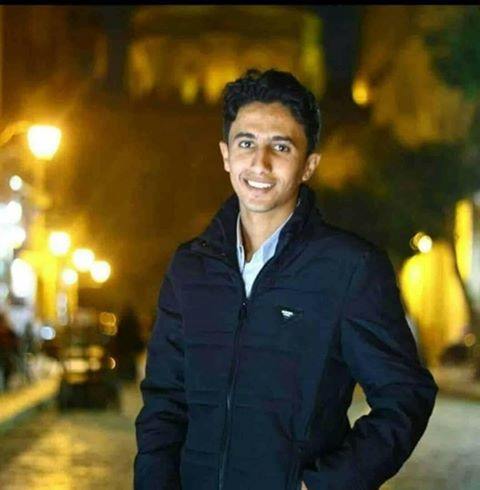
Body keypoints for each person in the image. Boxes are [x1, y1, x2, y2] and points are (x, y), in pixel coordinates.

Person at [134, 68, 438, 490]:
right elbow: (163, 403)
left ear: (308, 165)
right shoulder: (190, 267)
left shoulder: (351, 268)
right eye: (246, 143)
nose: (260, 163)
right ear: (226, 155)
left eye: (281, 146)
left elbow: (405, 395)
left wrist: (325, 484)